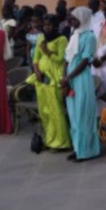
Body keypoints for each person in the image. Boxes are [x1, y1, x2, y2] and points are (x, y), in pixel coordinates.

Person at [62, 7, 100, 162]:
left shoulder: (89, 37)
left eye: (74, 18)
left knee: (83, 115)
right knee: (73, 115)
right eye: (70, 18)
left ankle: (88, 150)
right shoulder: (74, 35)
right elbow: (67, 59)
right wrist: (64, 77)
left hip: (81, 79)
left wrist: (69, 76)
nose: (70, 21)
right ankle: (78, 148)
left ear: (83, 19)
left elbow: (85, 61)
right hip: (70, 78)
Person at [30, 14, 72, 150]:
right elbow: (35, 58)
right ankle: (49, 139)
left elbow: (61, 59)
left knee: (56, 110)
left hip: (55, 77)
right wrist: (36, 71)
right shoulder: (40, 38)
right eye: (45, 24)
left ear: (54, 25)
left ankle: (61, 142)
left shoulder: (62, 39)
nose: (46, 27)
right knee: (44, 110)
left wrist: (47, 51)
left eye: (49, 24)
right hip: (41, 78)